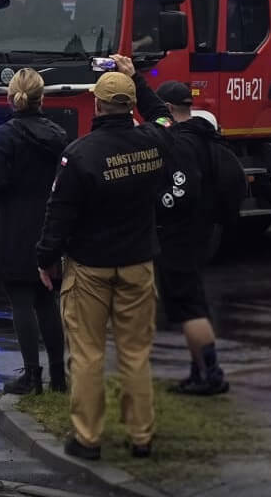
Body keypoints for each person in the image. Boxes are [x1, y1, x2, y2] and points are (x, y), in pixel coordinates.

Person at [36, 71, 170, 462]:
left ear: (96, 103)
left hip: (90, 267)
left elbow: (58, 214)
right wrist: (140, 81)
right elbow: (163, 117)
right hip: (138, 263)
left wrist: (45, 259)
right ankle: (142, 436)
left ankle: (88, 438)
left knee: (88, 354)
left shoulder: (80, 154)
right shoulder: (155, 142)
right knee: (135, 353)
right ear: (131, 106)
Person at [121, 61, 244, 396]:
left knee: (190, 310)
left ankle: (212, 374)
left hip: (179, 236)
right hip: (200, 232)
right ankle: (199, 370)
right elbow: (155, 114)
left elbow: (155, 119)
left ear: (172, 109)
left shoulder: (178, 143)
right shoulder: (205, 137)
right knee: (195, 304)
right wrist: (135, 78)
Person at [0, 68, 70, 395]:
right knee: (47, 301)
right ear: (42, 98)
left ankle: (32, 376)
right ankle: (59, 376)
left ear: (10, 98)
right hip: (48, 223)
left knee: (20, 300)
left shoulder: (3, 136)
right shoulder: (59, 134)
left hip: (12, 225)